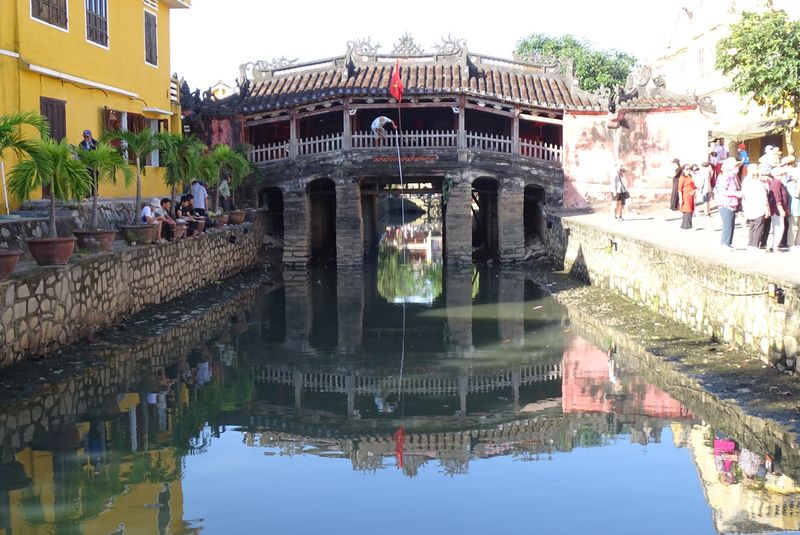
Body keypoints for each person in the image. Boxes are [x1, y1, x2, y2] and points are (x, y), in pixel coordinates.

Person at [715, 157, 742, 249]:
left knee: (731, 224)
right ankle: (725, 243)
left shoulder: (734, 177)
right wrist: (736, 194)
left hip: (732, 203)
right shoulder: (724, 177)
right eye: (736, 166)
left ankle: (728, 242)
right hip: (725, 203)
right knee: (727, 224)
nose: (738, 168)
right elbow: (722, 191)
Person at [741, 165, 769, 250]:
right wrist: (766, 209)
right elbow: (764, 197)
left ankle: (751, 244)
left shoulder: (745, 181)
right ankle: (755, 245)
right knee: (759, 226)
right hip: (758, 206)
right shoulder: (759, 183)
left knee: (752, 226)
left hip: (749, 205)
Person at [767, 166, 789, 252]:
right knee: (779, 227)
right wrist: (780, 209)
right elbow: (777, 197)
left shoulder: (778, 183)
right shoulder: (776, 183)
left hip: (777, 208)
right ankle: (774, 246)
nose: (782, 175)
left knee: (778, 228)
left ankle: (774, 246)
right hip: (776, 209)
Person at [783, 165, 800, 252]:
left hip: (798, 208)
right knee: (793, 227)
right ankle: (791, 244)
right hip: (793, 208)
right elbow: (796, 194)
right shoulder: (790, 184)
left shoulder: (795, 184)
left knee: (799, 227)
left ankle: (797, 243)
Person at [678, 164, 697, 229]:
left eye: (689, 169)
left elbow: (693, 185)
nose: (688, 170)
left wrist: (695, 189)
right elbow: (679, 189)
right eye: (686, 169)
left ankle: (688, 225)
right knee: (687, 209)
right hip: (685, 196)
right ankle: (686, 226)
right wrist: (680, 199)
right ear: (683, 170)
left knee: (691, 209)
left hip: (691, 195)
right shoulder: (682, 178)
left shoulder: (690, 176)